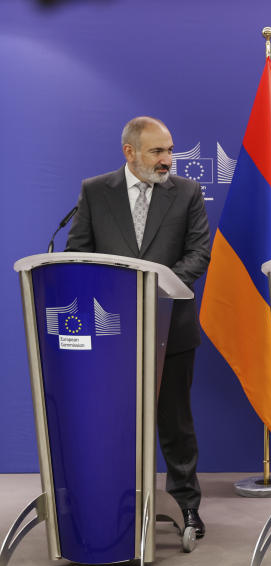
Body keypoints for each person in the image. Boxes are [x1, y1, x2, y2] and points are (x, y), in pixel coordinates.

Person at [66, 116, 211, 537]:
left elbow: (198, 253)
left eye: (169, 150)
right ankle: (112, 503)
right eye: (157, 151)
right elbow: (80, 255)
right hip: (110, 334)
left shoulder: (187, 192)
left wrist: (153, 293)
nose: (167, 159)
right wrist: (117, 299)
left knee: (176, 424)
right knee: (110, 424)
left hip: (173, 330)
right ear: (129, 152)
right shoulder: (95, 191)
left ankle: (185, 506)